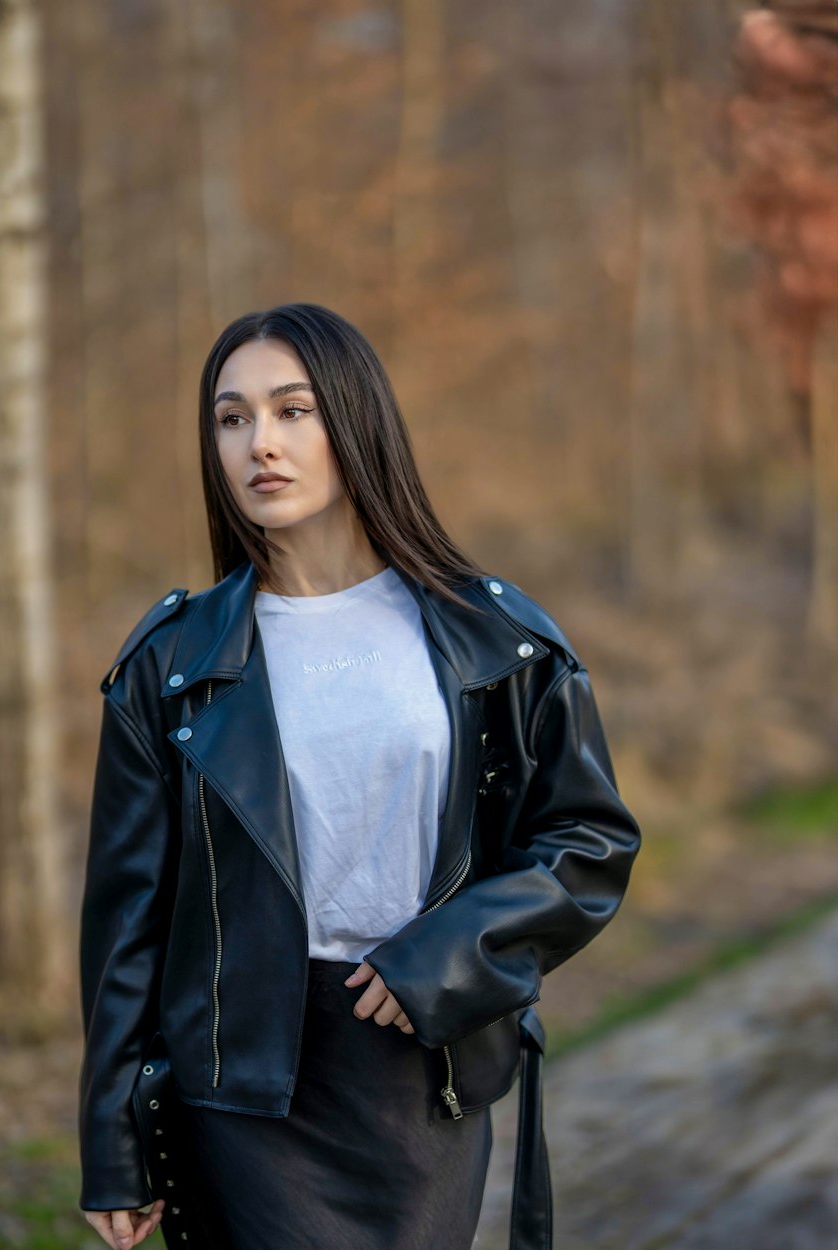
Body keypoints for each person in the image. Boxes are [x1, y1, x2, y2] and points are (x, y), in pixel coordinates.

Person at [77, 303, 641, 1250]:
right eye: (232, 417)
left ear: (354, 420)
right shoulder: (171, 663)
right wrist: (111, 1140)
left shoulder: (490, 636)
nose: (261, 443)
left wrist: (451, 952)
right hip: (242, 1082)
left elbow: (588, 844)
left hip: (422, 1067)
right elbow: (125, 923)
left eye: (293, 410)